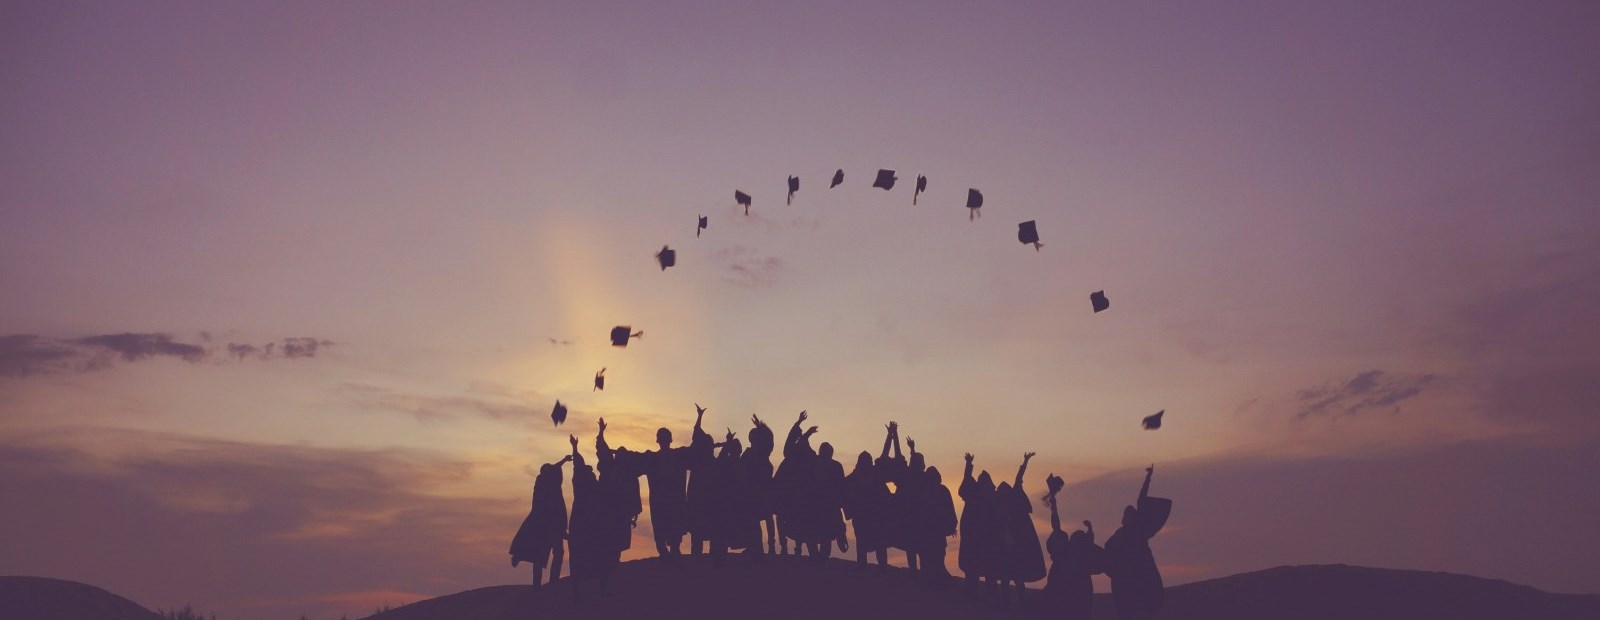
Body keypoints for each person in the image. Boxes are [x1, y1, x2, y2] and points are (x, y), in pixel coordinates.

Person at [1105, 465, 1171, 620]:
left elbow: (1141, 499)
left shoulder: (1137, 532)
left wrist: (1148, 477)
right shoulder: (1122, 535)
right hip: (1125, 581)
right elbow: (1109, 553)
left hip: (1139, 578)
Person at [509, 438, 573, 589]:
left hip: (549, 525)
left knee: (547, 553)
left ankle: (544, 583)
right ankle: (549, 582)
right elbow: (554, 469)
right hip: (548, 525)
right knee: (548, 553)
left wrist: (563, 460)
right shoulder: (546, 487)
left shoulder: (543, 482)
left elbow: (554, 468)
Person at [1043, 474, 1104, 620]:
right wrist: (1054, 503)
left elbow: (1057, 526)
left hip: (1074, 599)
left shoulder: (1073, 556)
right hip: (1066, 599)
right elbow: (1056, 525)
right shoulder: (1068, 554)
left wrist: (1090, 531)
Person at [996, 452, 1046, 606]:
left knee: (1015, 576)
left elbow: (1018, 479)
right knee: (1008, 576)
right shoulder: (999, 509)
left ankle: (1018, 602)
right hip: (1007, 547)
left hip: (1016, 546)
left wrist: (1025, 462)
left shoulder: (1012, 504)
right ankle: (1009, 602)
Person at [642, 420, 692, 560]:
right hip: (661, 501)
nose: (664, 440)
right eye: (662, 437)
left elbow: (696, 449)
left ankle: (671, 552)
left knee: (673, 526)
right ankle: (666, 553)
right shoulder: (652, 458)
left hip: (672, 500)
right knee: (662, 527)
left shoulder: (678, 455)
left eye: (665, 437)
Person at [958, 454, 1000, 596]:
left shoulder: (991, 499)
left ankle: (989, 594)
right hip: (973, 537)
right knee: (973, 568)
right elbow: (967, 482)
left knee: (988, 569)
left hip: (986, 539)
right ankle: (973, 592)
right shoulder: (973, 495)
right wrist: (968, 465)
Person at [843, 449, 890, 570]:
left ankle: (881, 567)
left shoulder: (874, 476)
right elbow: (845, 495)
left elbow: (883, 458)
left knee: (879, 543)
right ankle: (864, 567)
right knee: (863, 543)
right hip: (862, 516)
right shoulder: (852, 479)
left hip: (876, 516)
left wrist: (890, 436)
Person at [915, 465, 958, 589]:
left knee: (937, 559)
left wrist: (950, 525)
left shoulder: (941, 491)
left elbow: (949, 510)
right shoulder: (924, 491)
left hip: (935, 532)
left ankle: (936, 583)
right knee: (928, 558)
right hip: (927, 532)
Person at [685, 405, 717, 556]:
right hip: (702, 499)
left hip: (700, 498)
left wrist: (699, 416)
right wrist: (699, 416)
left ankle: (698, 555)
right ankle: (706, 556)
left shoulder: (698, 461)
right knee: (703, 527)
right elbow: (696, 433)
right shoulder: (709, 461)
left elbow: (696, 433)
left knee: (700, 528)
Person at [811, 441, 849, 562]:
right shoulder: (833, 466)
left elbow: (842, 487)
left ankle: (819, 558)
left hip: (824, 506)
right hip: (822, 506)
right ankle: (820, 557)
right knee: (823, 534)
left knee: (823, 534)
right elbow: (842, 487)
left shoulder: (815, 463)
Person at [745, 415, 778, 554]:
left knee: (762, 517)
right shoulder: (757, 453)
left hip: (760, 489)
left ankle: (765, 546)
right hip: (759, 489)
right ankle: (760, 546)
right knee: (762, 518)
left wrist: (759, 426)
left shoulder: (758, 453)